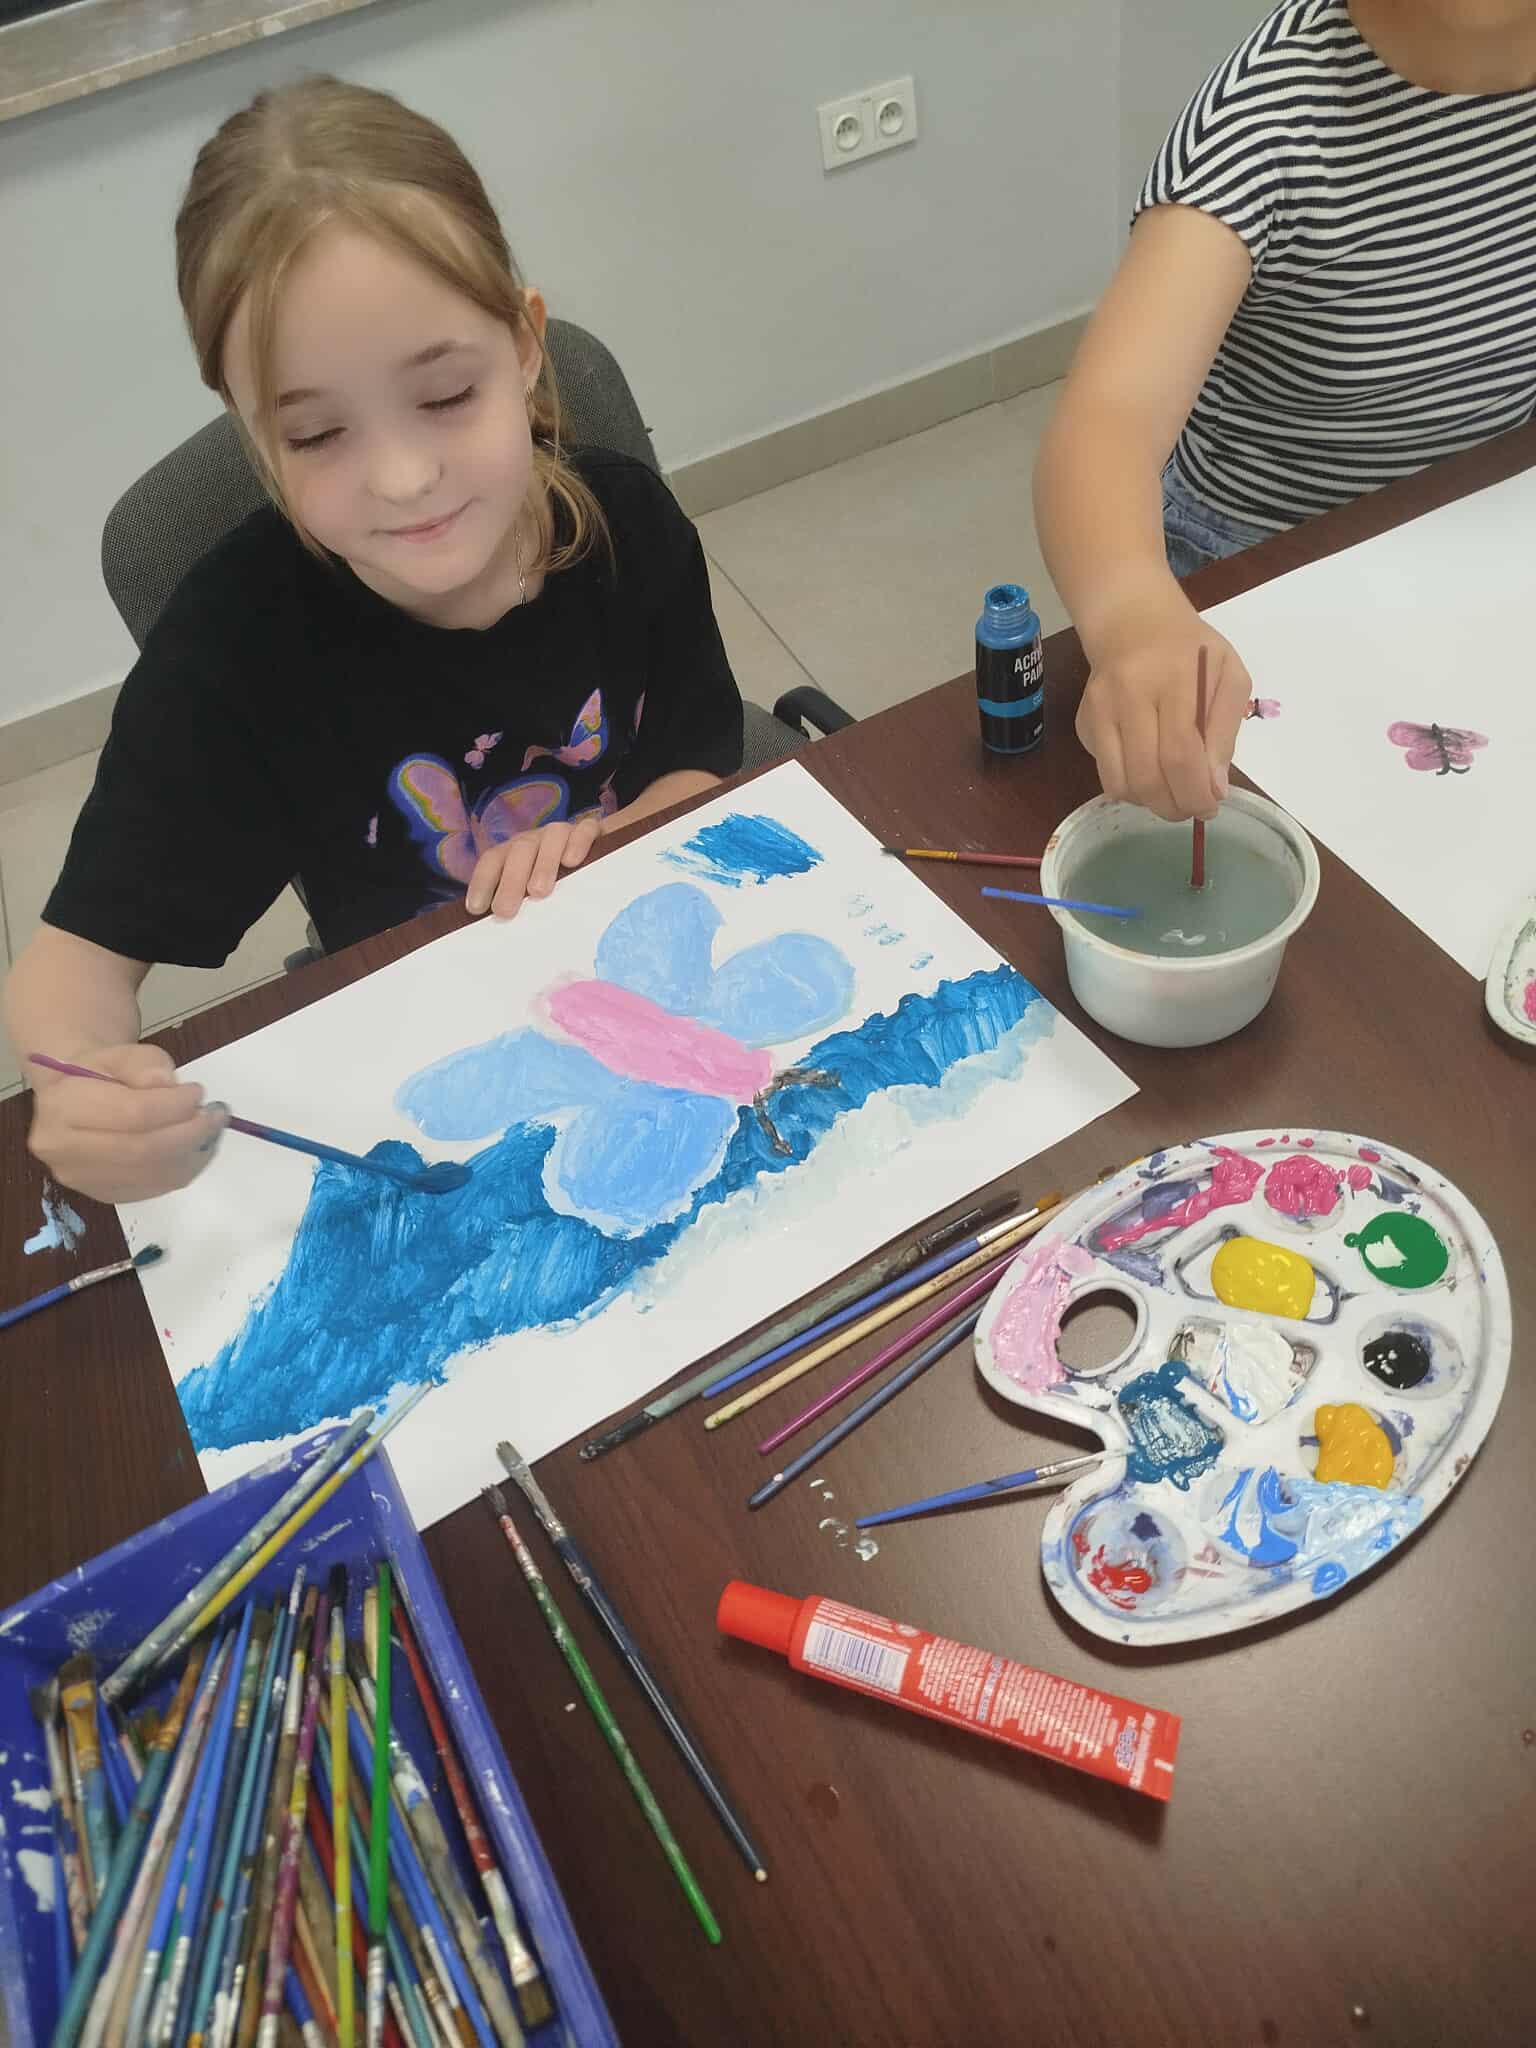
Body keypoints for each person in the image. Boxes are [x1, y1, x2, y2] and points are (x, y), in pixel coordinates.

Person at [4, 77, 743, 1204]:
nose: (402, 477)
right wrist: (76, 1082)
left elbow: (700, 760)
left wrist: (611, 841)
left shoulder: (627, 525)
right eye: (316, 434)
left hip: (646, 1000)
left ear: (524, 346)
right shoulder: (235, 648)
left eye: (445, 396)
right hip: (427, 1057)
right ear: (257, 435)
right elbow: (74, 968)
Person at [1033, 0, 1536, 822]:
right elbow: (1106, 425)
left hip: (1476, 529)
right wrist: (1131, 614)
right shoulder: (1263, 120)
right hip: (1262, 559)